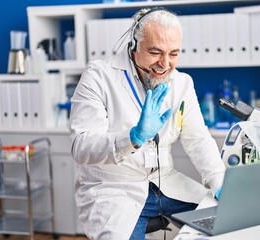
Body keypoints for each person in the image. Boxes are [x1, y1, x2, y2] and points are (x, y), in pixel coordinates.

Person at [69, 7, 226, 240]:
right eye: (155, 52)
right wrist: (133, 137)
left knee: (225, 220)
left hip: (166, 184)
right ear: (134, 45)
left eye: (173, 54)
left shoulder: (181, 83)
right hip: (113, 190)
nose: (165, 64)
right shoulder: (99, 76)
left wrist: (219, 182)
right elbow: (80, 148)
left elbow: (198, 139)